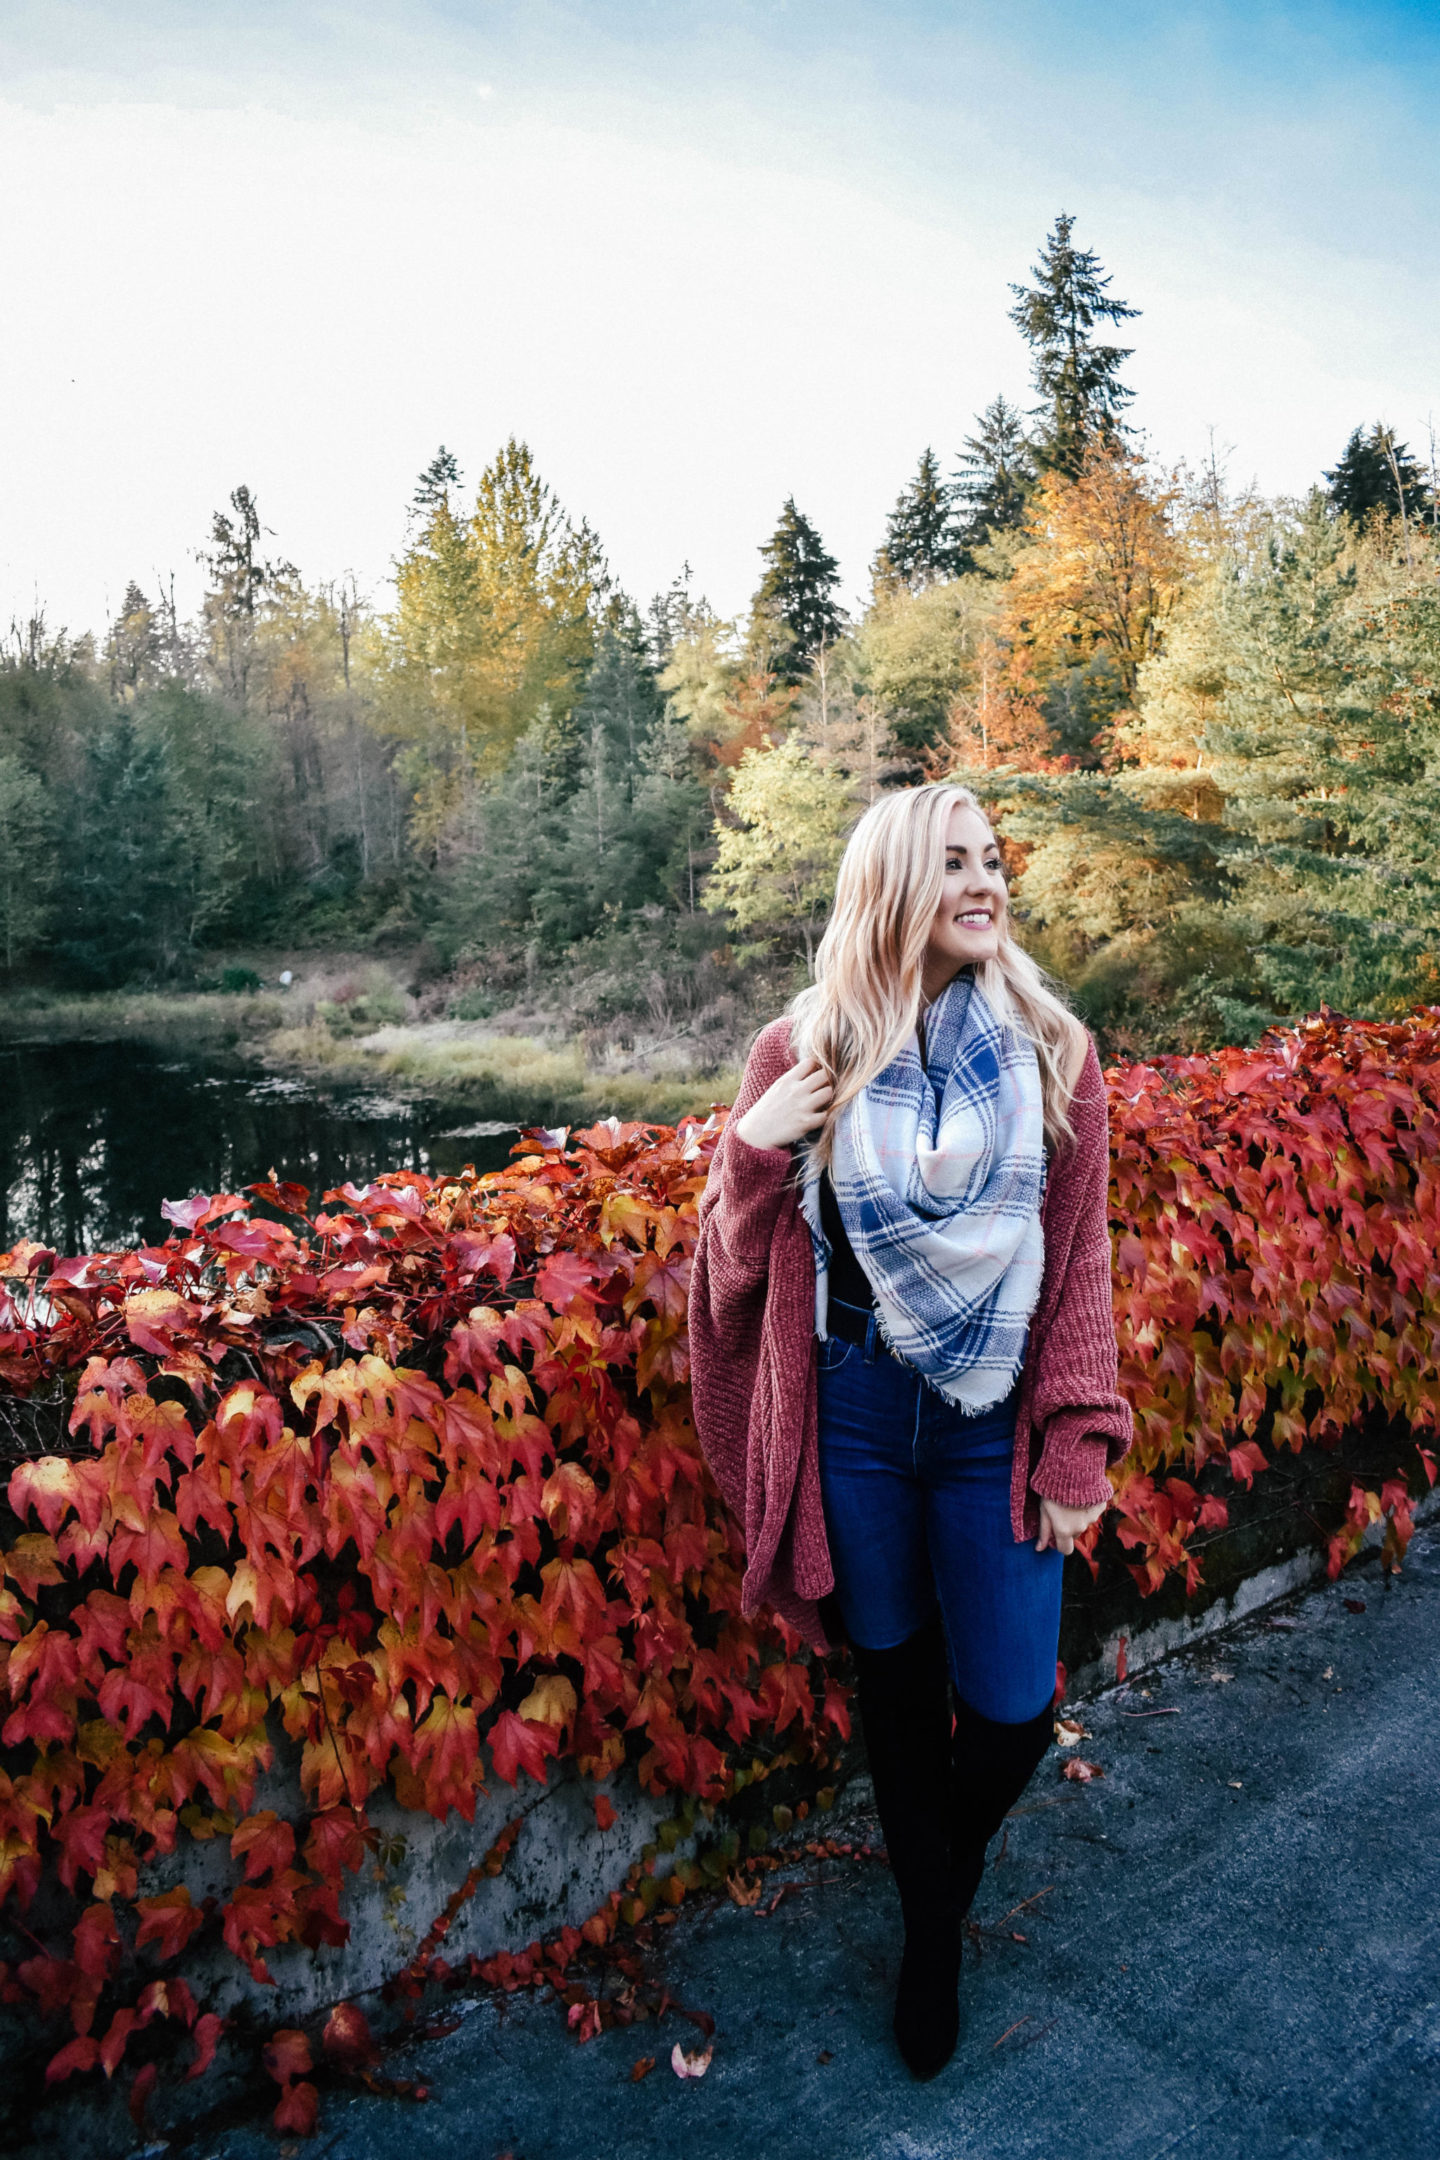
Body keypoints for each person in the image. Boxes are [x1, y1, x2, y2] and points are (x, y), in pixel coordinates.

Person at [688, 781, 1132, 2080]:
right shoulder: (802, 1055)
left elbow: (1077, 1263)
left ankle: (929, 1897)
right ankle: (936, 1945)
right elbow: (724, 1278)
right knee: (890, 1672)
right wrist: (751, 1154)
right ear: (892, 885)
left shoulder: (1057, 1051)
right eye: (954, 863)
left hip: (994, 1423)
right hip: (858, 1412)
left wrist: (1076, 1441)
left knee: (1006, 1709)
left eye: (993, 859)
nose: (987, 881)